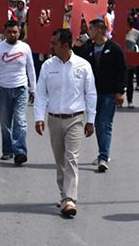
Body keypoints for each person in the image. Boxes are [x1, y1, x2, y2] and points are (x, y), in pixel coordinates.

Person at [34, 28, 97, 217]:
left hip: (75, 120)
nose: (51, 46)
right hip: (54, 119)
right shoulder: (47, 66)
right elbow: (41, 93)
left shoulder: (83, 66)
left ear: (65, 45)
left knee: (72, 159)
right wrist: (39, 117)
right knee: (60, 161)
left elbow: (91, 93)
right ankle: (64, 196)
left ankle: (70, 199)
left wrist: (91, 120)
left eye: (54, 43)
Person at [74, 19, 126, 172]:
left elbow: (122, 70)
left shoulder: (114, 48)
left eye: (91, 29)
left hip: (109, 94)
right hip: (92, 94)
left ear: (99, 30)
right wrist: (77, 47)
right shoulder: (88, 48)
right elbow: (77, 61)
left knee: (105, 124)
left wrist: (121, 91)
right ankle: (102, 152)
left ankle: (103, 157)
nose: (88, 31)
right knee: (97, 124)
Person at [0, 20, 36, 164]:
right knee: (5, 122)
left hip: (21, 88)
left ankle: (20, 151)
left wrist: (33, 89)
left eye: (15, 32)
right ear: (4, 33)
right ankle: (7, 150)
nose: (12, 35)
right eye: (9, 32)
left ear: (19, 31)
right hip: (3, 89)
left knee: (20, 120)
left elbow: (31, 70)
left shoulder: (25, 48)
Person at [124, 16, 139, 108]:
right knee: (119, 82)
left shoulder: (136, 33)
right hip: (120, 60)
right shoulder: (119, 31)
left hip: (131, 61)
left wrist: (138, 59)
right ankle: (118, 100)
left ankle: (129, 100)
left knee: (129, 82)